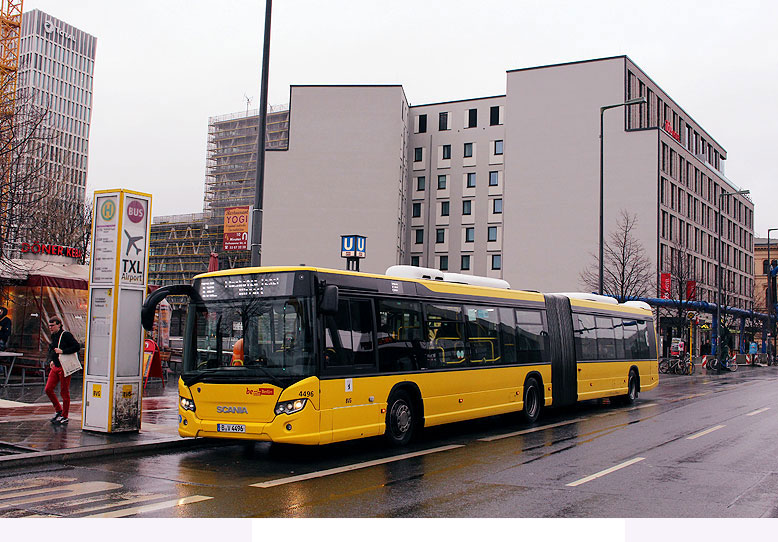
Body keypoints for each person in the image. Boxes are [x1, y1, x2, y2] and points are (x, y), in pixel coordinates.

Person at [45, 317, 80, 425]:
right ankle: (58, 410)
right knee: (48, 389)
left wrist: (63, 351)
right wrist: (51, 360)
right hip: (56, 365)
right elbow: (53, 349)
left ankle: (64, 415)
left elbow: (77, 346)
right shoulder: (54, 336)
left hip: (64, 367)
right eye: (49, 325)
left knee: (64, 391)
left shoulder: (66, 335)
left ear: (59, 324)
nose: (51, 327)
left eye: (53, 325)